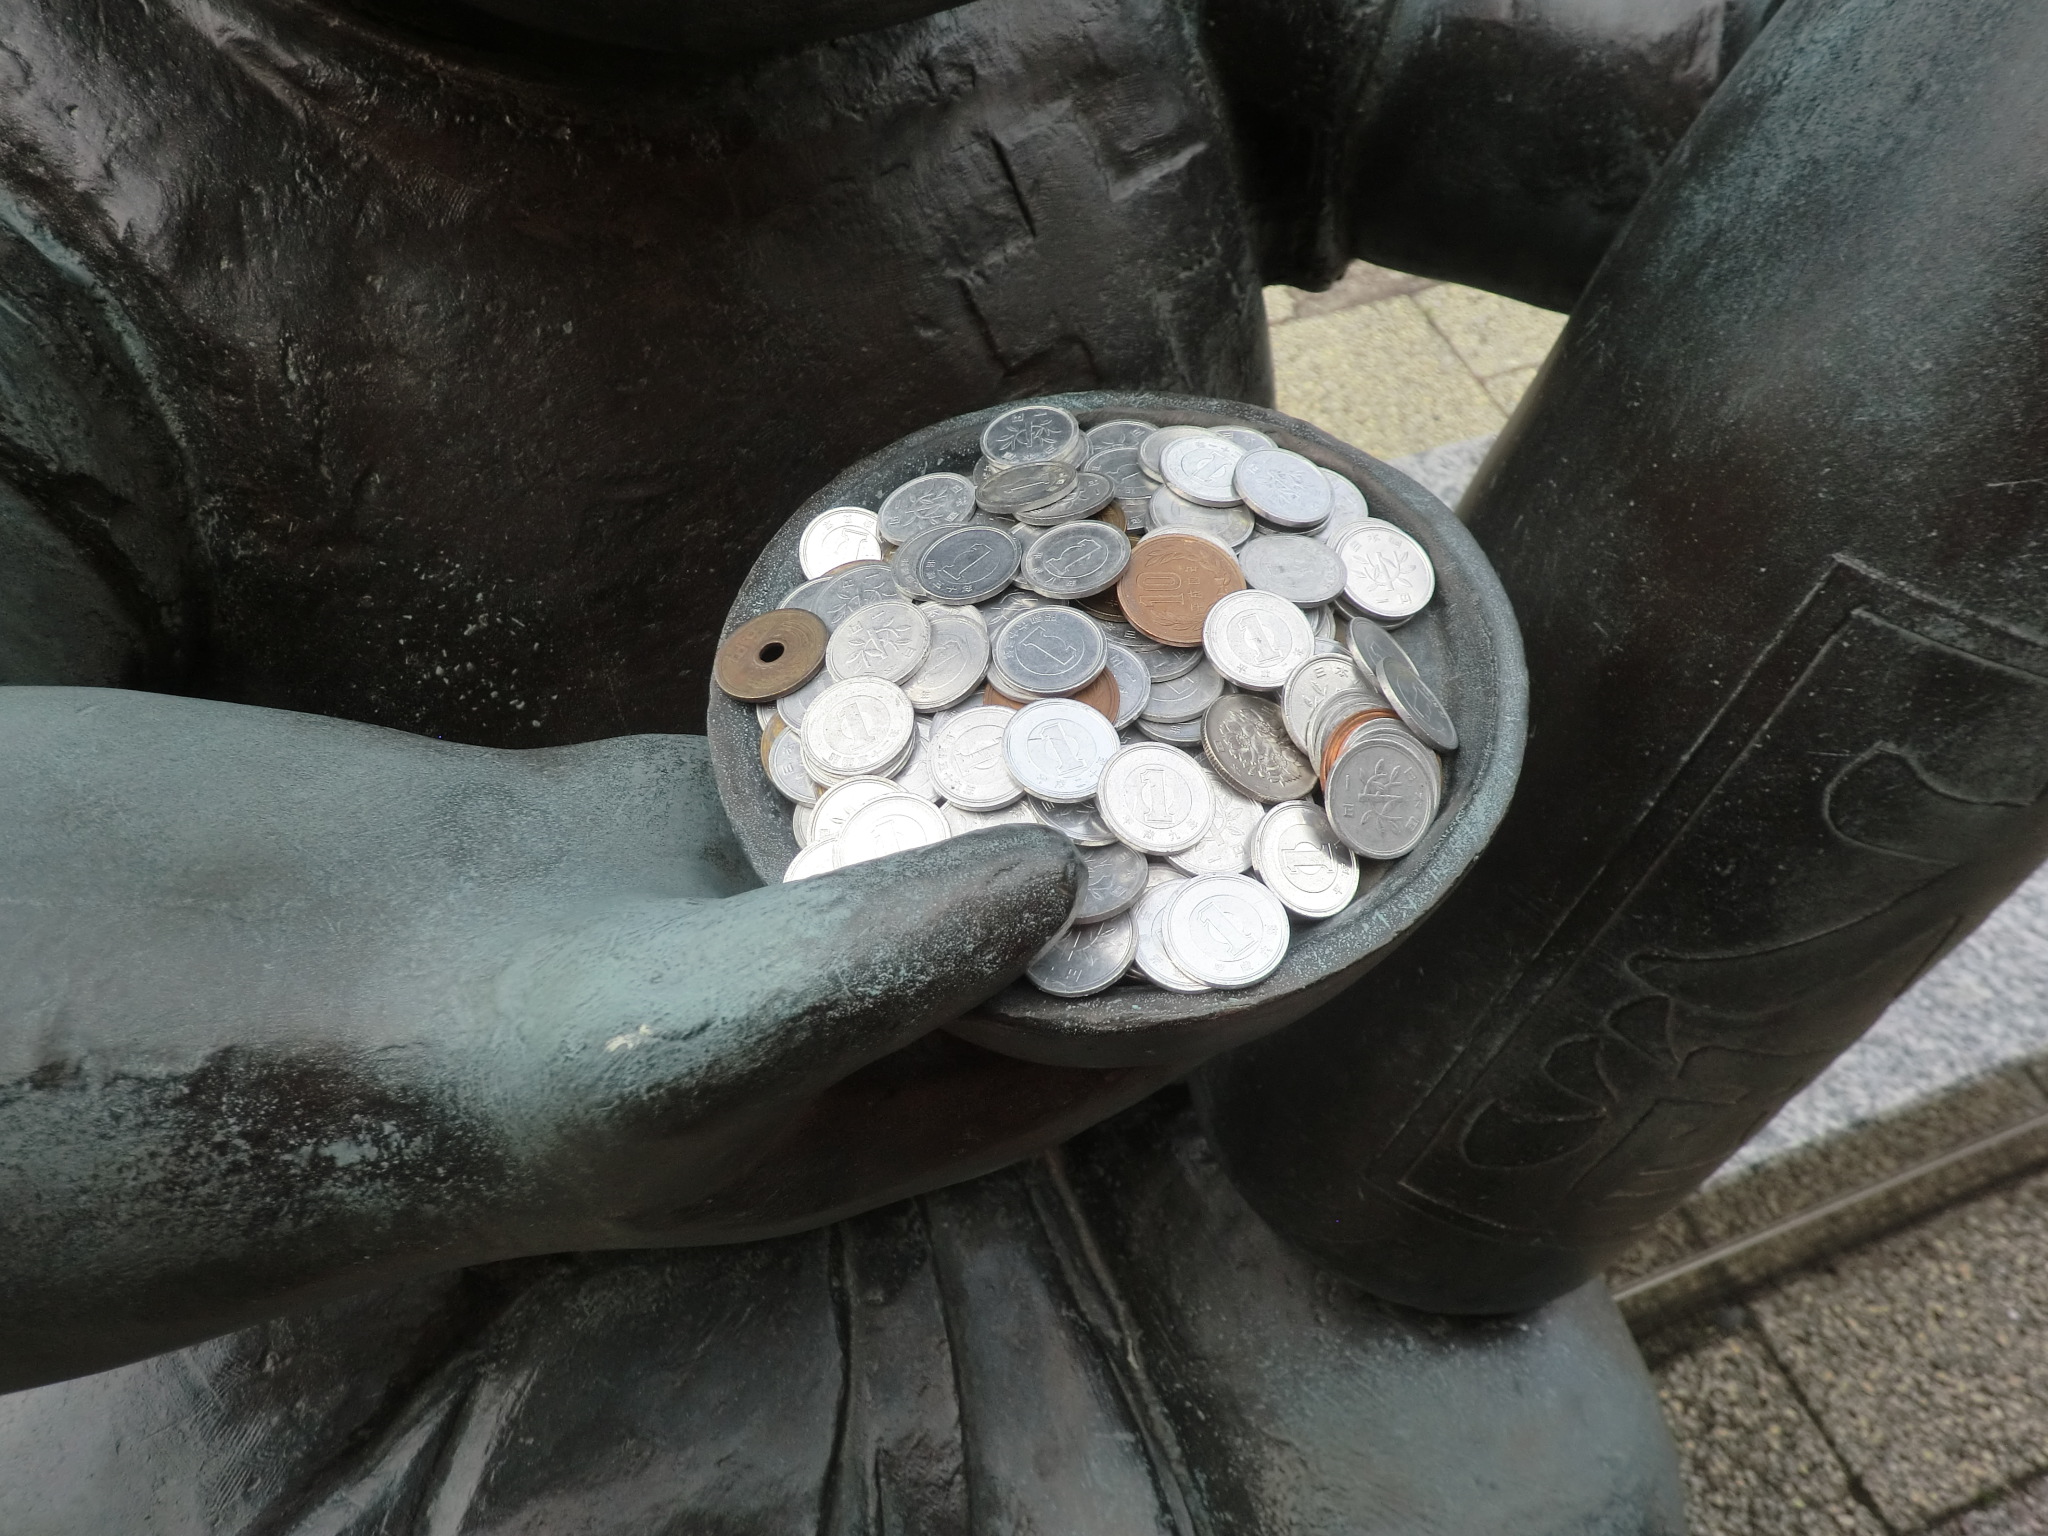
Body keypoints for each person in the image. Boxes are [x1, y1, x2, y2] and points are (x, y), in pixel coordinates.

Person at [0, 0, 1868, 1527]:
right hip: (444, 1254)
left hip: (1173, 1028)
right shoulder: (65, 147)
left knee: (1529, 1489)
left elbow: (1734, 95)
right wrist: (424, 1025)